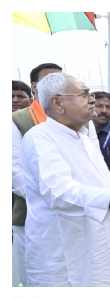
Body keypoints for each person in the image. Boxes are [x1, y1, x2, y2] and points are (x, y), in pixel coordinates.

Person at [21, 73, 110, 286]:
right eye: (84, 94)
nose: (92, 100)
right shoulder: (40, 137)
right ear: (57, 103)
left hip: (100, 242)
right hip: (66, 250)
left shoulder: (83, 135)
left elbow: (98, 182)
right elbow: (59, 193)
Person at [12, 64, 62, 286]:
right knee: (32, 278)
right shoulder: (17, 120)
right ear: (34, 86)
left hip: (68, 213)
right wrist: (48, 199)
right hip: (30, 211)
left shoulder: (70, 118)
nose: (58, 85)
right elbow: (13, 171)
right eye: (50, 80)